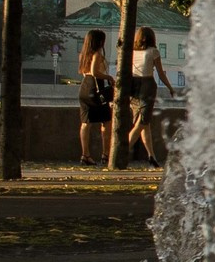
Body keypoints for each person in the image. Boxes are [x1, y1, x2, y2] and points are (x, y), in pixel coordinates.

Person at [125, 27, 178, 162]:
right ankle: (124, 150)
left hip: (133, 86)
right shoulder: (153, 52)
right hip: (147, 85)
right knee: (142, 122)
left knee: (144, 122)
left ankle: (151, 156)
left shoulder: (131, 52)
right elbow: (160, 73)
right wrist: (170, 88)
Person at [75, 27, 114, 166]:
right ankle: (106, 154)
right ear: (99, 41)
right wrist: (109, 77)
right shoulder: (97, 54)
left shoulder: (84, 55)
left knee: (86, 123)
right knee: (106, 122)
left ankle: (85, 154)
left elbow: (85, 71)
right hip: (96, 88)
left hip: (84, 88)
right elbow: (95, 72)